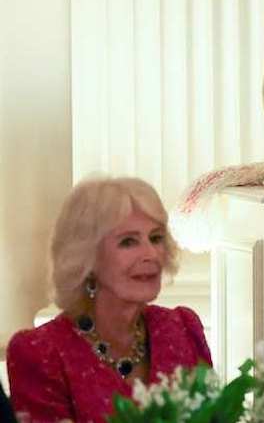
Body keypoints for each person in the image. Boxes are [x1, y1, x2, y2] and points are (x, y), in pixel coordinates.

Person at [6, 177, 212, 422]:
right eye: (128, 242)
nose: (150, 254)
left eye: (156, 238)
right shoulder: (39, 352)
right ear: (86, 257)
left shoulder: (183, 328)